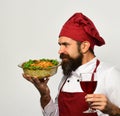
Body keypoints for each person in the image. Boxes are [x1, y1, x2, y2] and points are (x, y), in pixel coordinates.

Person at [23, 12, 120, 116]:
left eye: (65, 44)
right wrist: (45, 94)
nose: (60, 51)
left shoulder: (109, 74)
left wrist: (113, 110)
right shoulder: (67, 75)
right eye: (60, 45)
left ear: (84, 46)